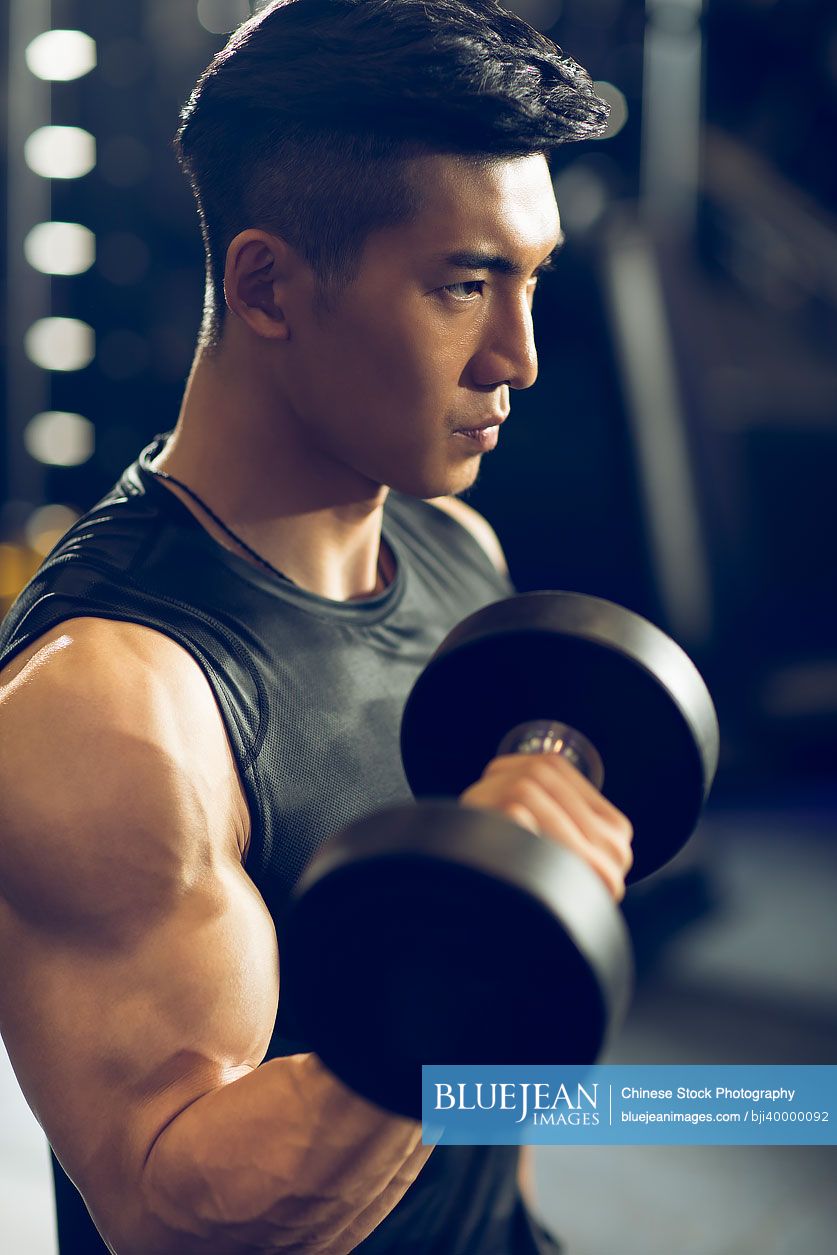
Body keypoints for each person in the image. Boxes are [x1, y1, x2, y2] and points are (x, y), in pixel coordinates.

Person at [0, 2, 633, 1251]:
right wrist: (457, 947)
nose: (519, 357)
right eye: (464, 284)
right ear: (269, 285)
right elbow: (174, 1217)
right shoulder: (111, 704)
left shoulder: (455, 549)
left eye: (531, 281)